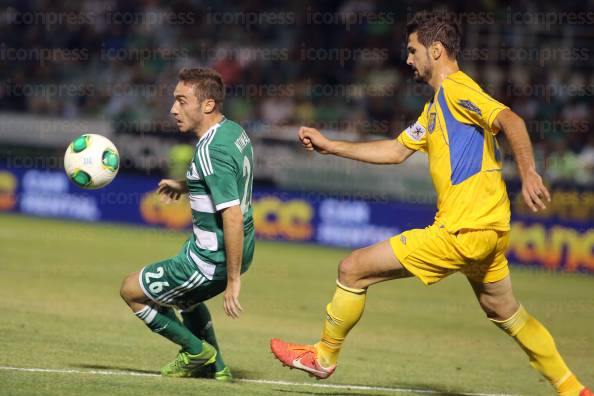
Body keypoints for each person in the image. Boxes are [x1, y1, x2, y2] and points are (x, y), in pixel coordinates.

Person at [270, 11, 591, 396]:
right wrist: (331, 146)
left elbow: (511, 120)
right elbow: (394, 150)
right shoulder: (434, 108)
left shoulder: (457, 89)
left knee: (352, 269)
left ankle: (323, 356)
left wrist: (529, 172)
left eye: (412, 50)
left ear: (435, 50)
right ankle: (573, 389)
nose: (408, 60)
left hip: (462, 229)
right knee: (505, 312)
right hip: (489, 232)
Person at [120, 67, 255, 381]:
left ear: (207, 105)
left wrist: (233, 280)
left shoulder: (210, 150)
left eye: (182, 101)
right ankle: (216, 367)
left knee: (131, 290)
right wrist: (187, 184)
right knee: (186, 299)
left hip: (211, 261)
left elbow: (231, 216)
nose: (173, 109)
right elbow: (227, 178)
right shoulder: (233, 132)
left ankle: (196, 351)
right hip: (238, 250)